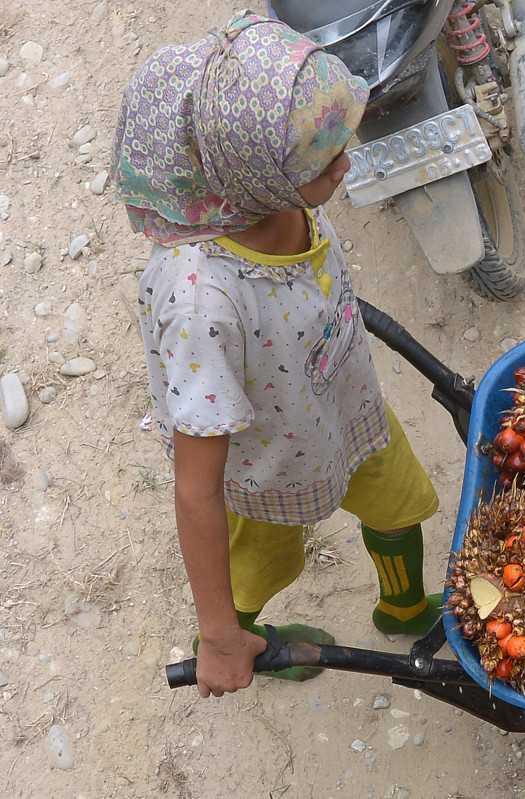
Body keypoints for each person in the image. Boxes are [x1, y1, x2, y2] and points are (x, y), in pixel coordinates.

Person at [113, 12, 442, 699]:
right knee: (254, 572)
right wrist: (215, 639)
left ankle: (404, 606)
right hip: (264, 468)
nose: (346, 164)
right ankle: (244, 636)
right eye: (327, 163)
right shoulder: (203, 304)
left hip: (345, 408)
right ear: (261, 178)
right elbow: (197, 487)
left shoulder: (269, 185)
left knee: (399, 504)